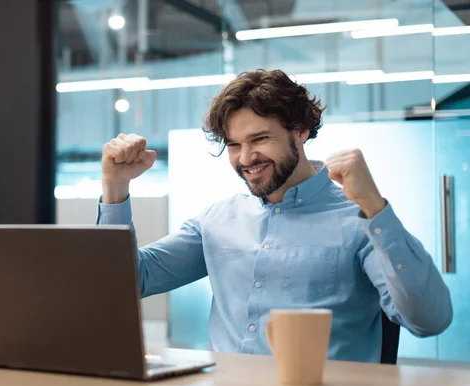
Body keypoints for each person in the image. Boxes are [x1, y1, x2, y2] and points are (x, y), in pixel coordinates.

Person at [96, 69, 453, 362]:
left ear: (300, 130)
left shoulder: (358, 221)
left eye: (260, 138)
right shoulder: (217, 220)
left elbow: (429, 320)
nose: (246, 157)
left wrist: (375, 206)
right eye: (234, 144)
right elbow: (124, 283)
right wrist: (115, 187)